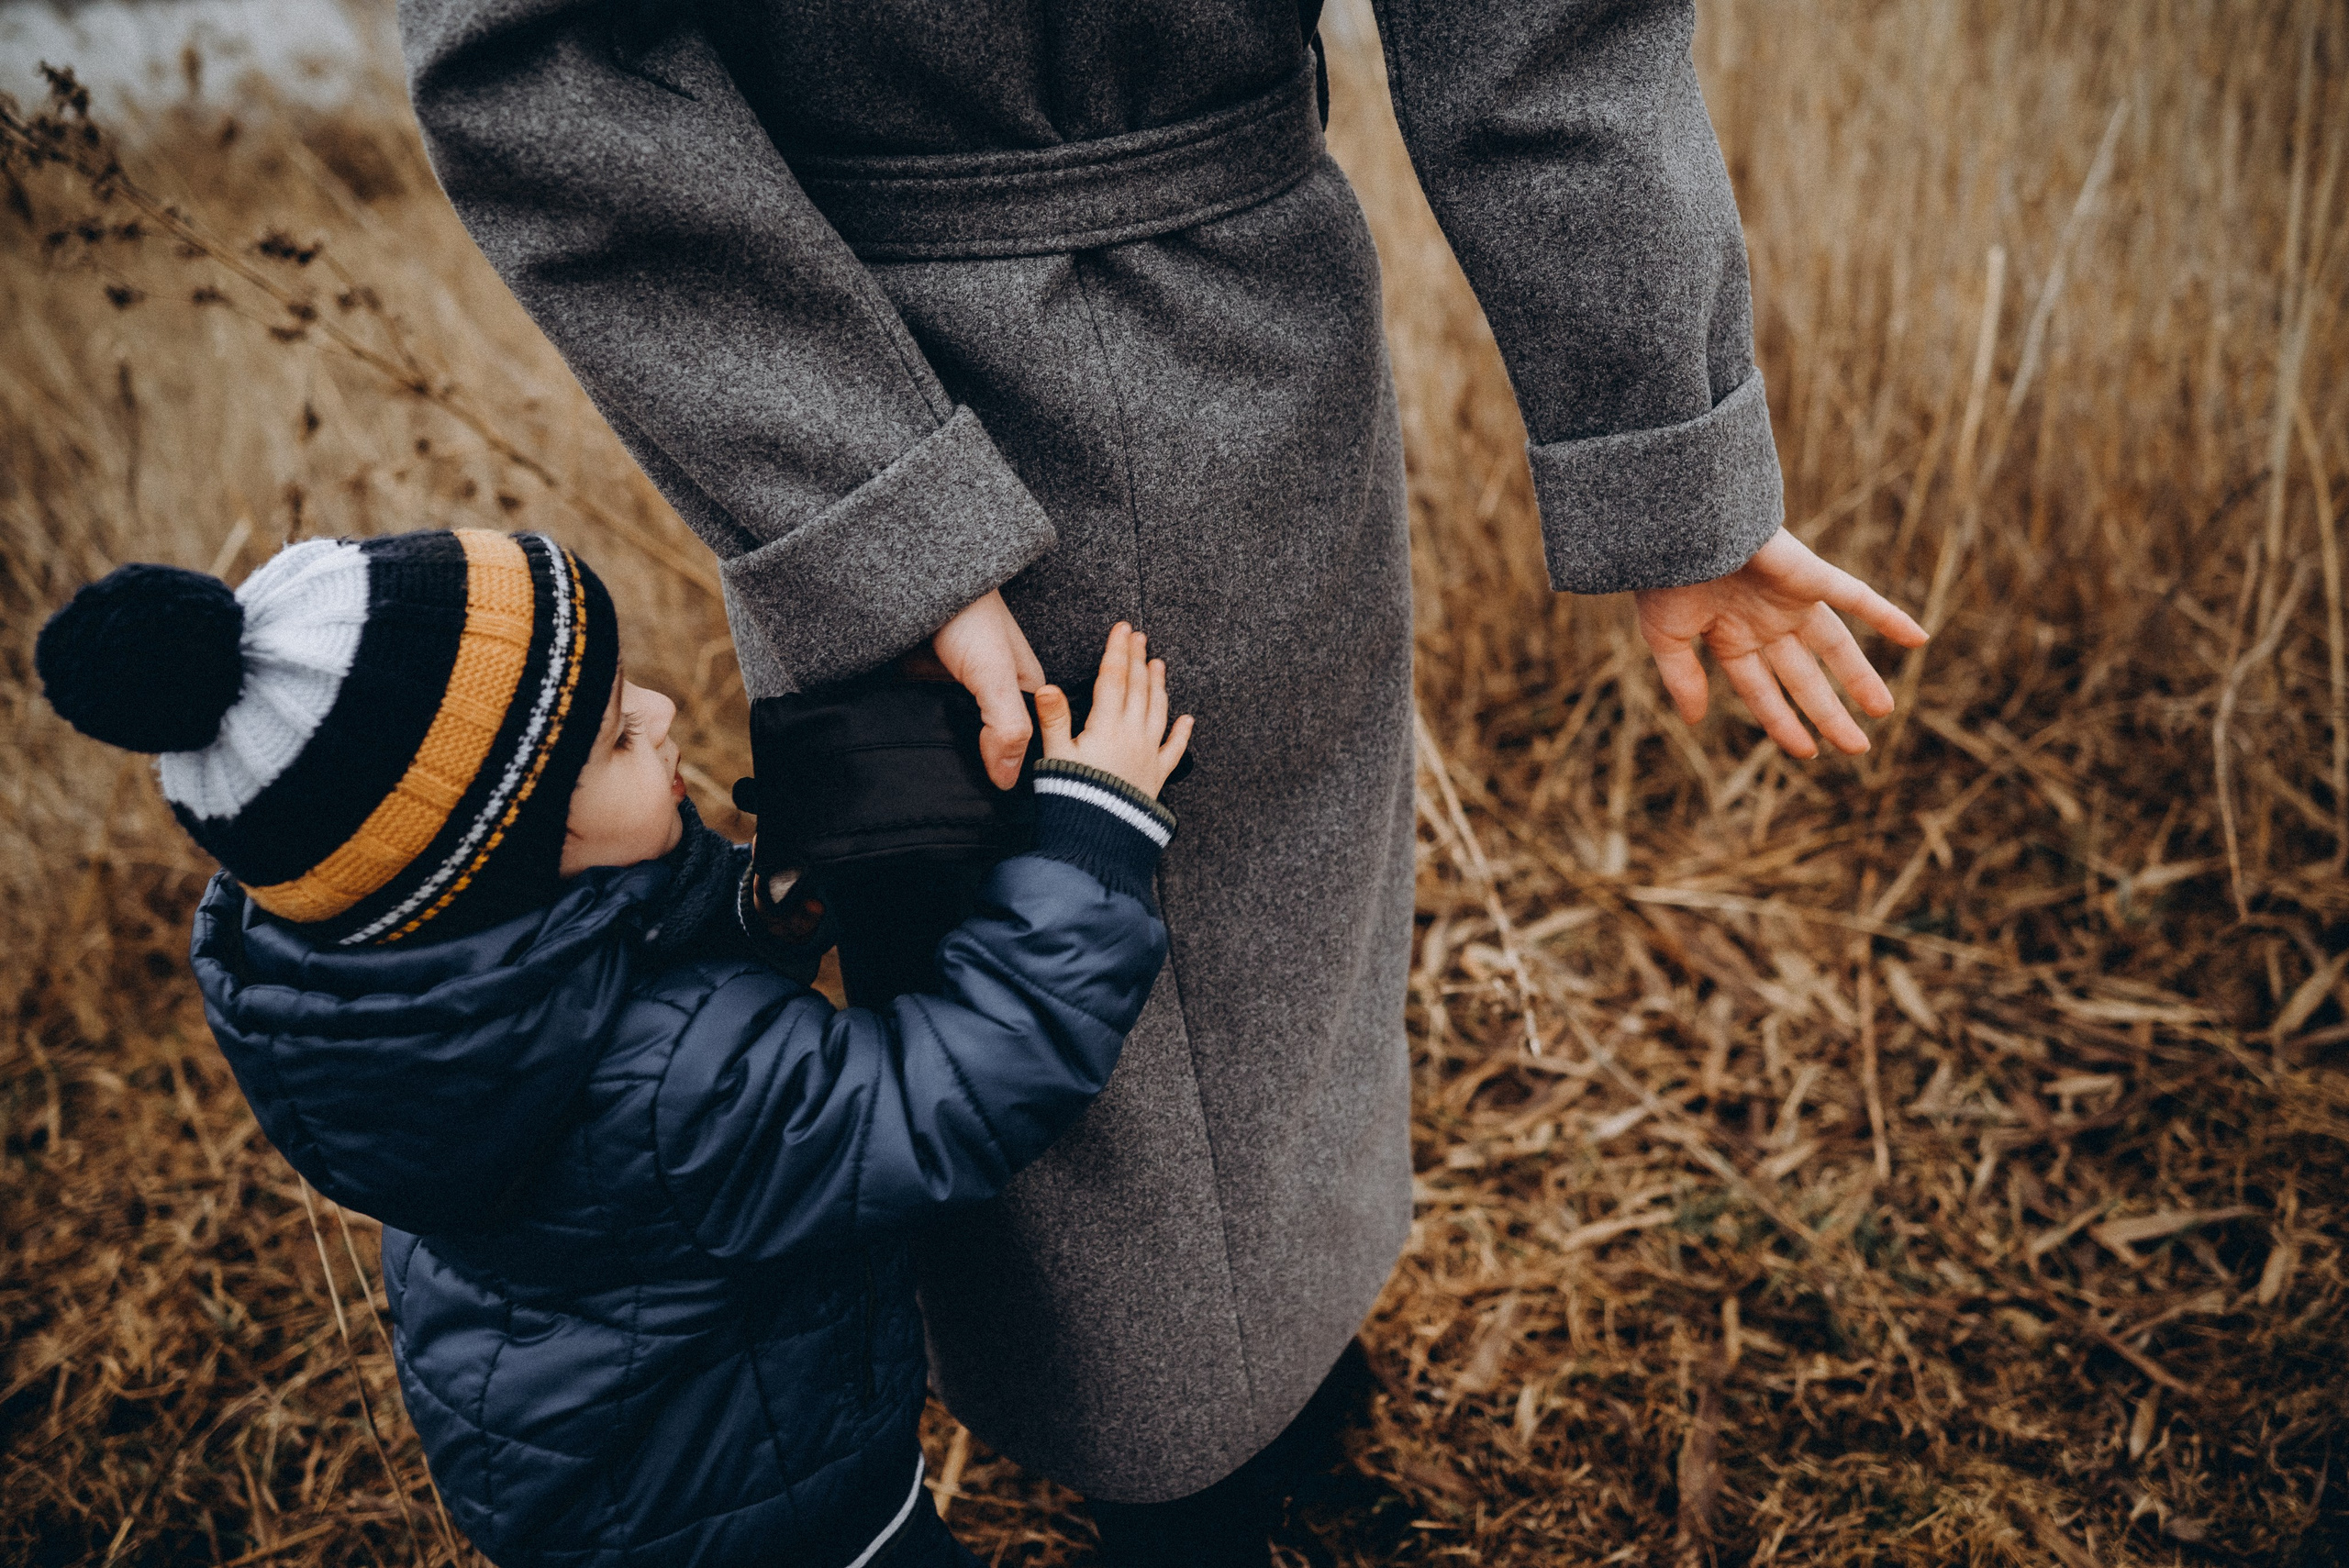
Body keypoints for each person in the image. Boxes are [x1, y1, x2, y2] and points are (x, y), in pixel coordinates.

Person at [396, 3, 1928, 1560]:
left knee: (1272, 984)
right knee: (1088, 1055)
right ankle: (1193, 1499)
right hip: (905, 380)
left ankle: (1276, 1410)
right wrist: (876, 520)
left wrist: (1672, 448)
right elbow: (539, 64)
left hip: (1180, 366)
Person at [32, 527, 1194, 1568]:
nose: (663, 715)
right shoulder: (675, 1080)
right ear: (506, 864)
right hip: (764, 1512)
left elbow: (612, 965)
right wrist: (1089, 837)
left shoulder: (390, 1000)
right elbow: (953, 1089)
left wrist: (763, 912)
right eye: (614, 740)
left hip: (583, 1474)